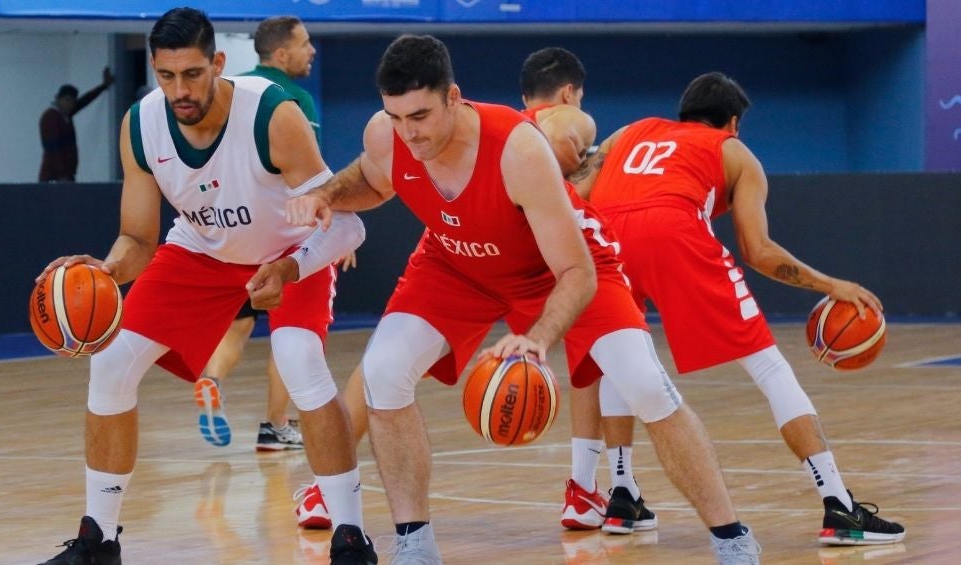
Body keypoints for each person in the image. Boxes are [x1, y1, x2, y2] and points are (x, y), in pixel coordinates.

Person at [286, 34, 760, 564]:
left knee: (647, 386)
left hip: (558, 268)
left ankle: (733, 540)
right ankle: (414, 545)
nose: (408, 133)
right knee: (382, 369)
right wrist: (325, 195)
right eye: (396, 118)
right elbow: (374, 182)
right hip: (456, 264)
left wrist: (536, 339)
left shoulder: (518, 149)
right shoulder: (387, 136)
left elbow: (575, 270)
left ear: (454, 96)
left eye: (418, 116)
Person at [36, 8, 375, 565]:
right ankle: (100, 538)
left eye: (192, 74)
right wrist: (105, 270)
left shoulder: (272, 113)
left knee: (297, 358)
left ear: (218, 63)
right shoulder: (140, 125)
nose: (180, 90)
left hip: (290, 254)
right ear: (153, 70)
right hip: (201, 252)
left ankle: (350, 537)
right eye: (166, 76)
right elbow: (137, 239)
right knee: (111, 360)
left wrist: (292, 268)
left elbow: (345, 224)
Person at [573, 70, 906, 547]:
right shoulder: (733, 151)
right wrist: (830, 284)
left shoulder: (629, 133)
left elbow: (576, 189)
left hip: (605, 235)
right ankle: (838, 504)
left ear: (683, 111)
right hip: (675, 234)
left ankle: (622, 494)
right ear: (732, 122)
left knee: (619, 357)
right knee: (767, 366)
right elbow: (758, 250)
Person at [519, 46, 657, 535]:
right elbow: (571, 178)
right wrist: (610, 148)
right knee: (627, 366)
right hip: (570, 258)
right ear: (568, 93)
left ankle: (592, 490)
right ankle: (598, 488)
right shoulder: (568, 122)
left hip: (514, 262)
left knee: (588, 370)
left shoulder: (509, 133)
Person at [194, 15, 328, 452]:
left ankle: (212, 377)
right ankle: (275, 425)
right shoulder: (292, 100)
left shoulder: (229, 89)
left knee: (238, 327)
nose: (312, 51)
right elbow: (308, 179)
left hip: (228, 235)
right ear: (282, 53)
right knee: (288, 336)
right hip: (281, 235)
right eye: (305, 44)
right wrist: (328, 230)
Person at [39, 67, 115, 182]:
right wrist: (61, 175)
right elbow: (52, 148)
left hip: (67, 175)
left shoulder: (65, 115)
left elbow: (84, 101)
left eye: (72, 101)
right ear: (58, 99)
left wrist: (103, 86)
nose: (70, 105)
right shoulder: (51, 117)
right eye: (67, 100)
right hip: (54, 177)